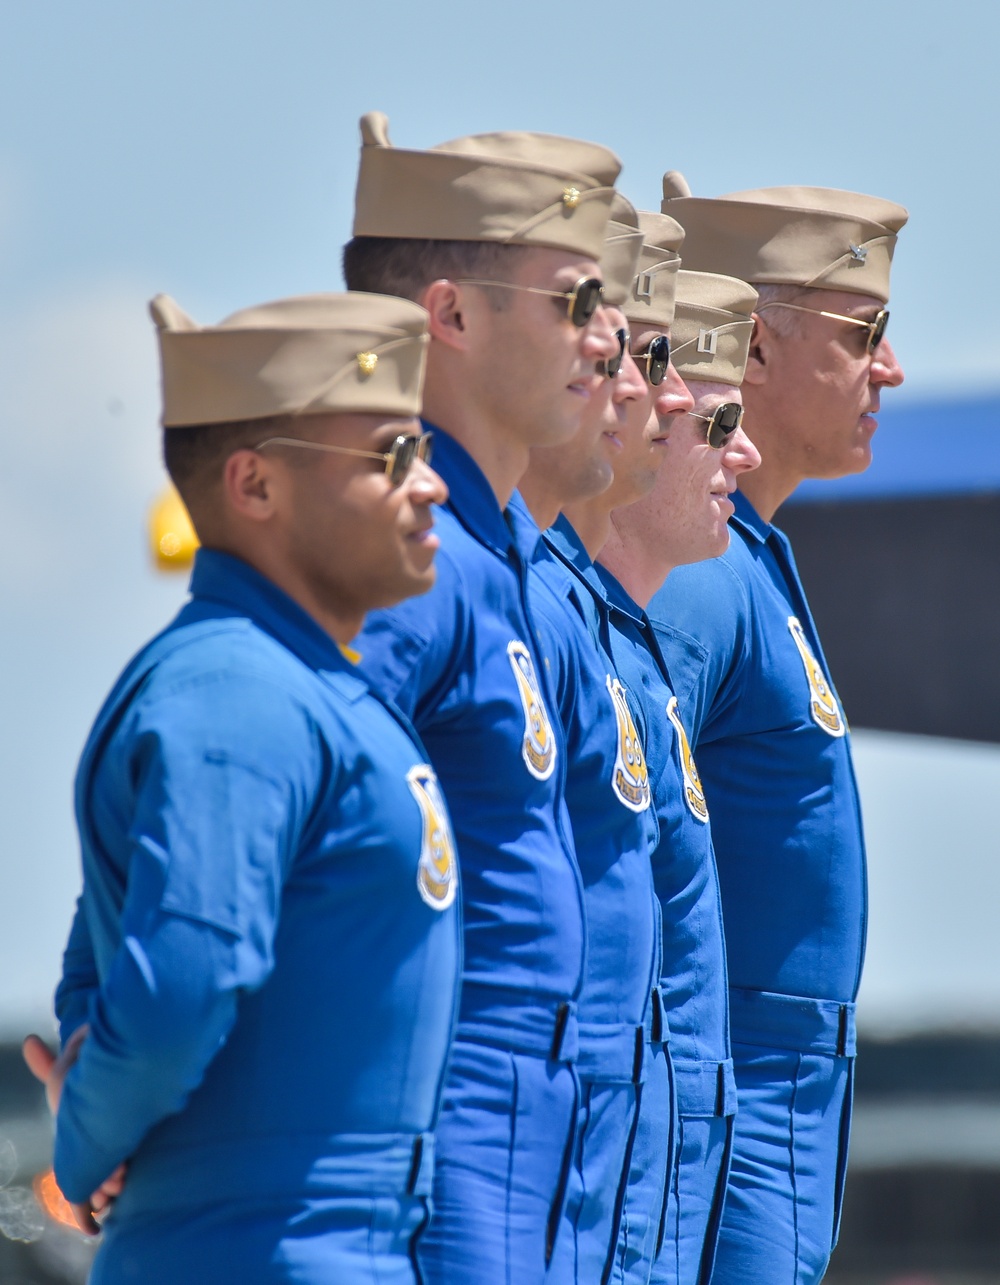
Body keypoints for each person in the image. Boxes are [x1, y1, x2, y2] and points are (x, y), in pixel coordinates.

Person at [24, 291, 461, 1284]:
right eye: (393, 455)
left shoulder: (298, 683)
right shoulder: (235, 690)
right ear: (254, 484)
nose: (431, 486)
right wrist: (84, 1148)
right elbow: (179, 986)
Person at [341, 113, 622, 1282]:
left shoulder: (499, 562)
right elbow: (294, 812)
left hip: (535, 1141)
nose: (612, 341)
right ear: (449, 316)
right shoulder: (417, 564)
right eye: (577, 302)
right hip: (447, 1144)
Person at [652, 174, 908, 1282]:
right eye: (866, 333)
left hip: (772, 1116)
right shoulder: (702, 576)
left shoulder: (743, 559)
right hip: (725, 1117)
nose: (888, 368)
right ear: (751, 348)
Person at [599, 262, 762, 1284]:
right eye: (714, 420)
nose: (740, 451)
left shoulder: (638, 642)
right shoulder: (600, 629)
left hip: (668, 1168)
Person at [515, 199, 666, 1284]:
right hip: (511, 1126)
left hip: (605, 1121)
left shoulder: (571, 599)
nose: (631, 383)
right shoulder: (471, 592)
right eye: (605, 338)